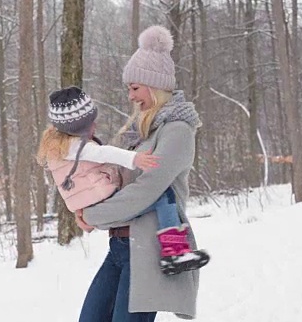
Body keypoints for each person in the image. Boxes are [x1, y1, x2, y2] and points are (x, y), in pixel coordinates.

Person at [76, 25, 209, 322]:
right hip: (120, 247)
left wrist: (94, 215)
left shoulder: (177, 131)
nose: (131, 96)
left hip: (147, 250)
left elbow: (147, 191)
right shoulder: (143, 134)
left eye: (135, 88)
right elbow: (122, 185)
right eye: (129, 89)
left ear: (155, 86)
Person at [37, 86, 206, 276]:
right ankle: (174, 251)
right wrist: (135, 159)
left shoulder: (59, 148)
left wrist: (82, 211)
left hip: (90, 202)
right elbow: (103, 153)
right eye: (92, 123)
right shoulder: (78, 146)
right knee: (164, 196)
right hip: (102, 200)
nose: (95, 126)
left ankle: (173, 250)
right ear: (79, 127)